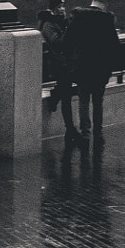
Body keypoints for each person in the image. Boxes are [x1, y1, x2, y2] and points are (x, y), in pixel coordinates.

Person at [62, 0, 121, 147]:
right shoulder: (107, 20)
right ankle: (98, 134)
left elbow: (67, 41)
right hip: (100, 69)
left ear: (92, 4)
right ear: (103, 7)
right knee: (98, 102)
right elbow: (115, 47)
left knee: (83, 101)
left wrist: (73, 61)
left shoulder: (79, 17)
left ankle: (85, 133)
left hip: (82, 67)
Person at [36, 8, 80, 145]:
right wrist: (70, 31)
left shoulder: (63, 22)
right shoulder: (48, 25)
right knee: (66, 95)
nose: (63, 9)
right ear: (54, 9)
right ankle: (70, 129)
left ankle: (55, 95)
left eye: (63, 6)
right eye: (59, 6)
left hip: (68, 63)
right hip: (57, 64)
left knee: (73, 89)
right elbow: (57, 43)